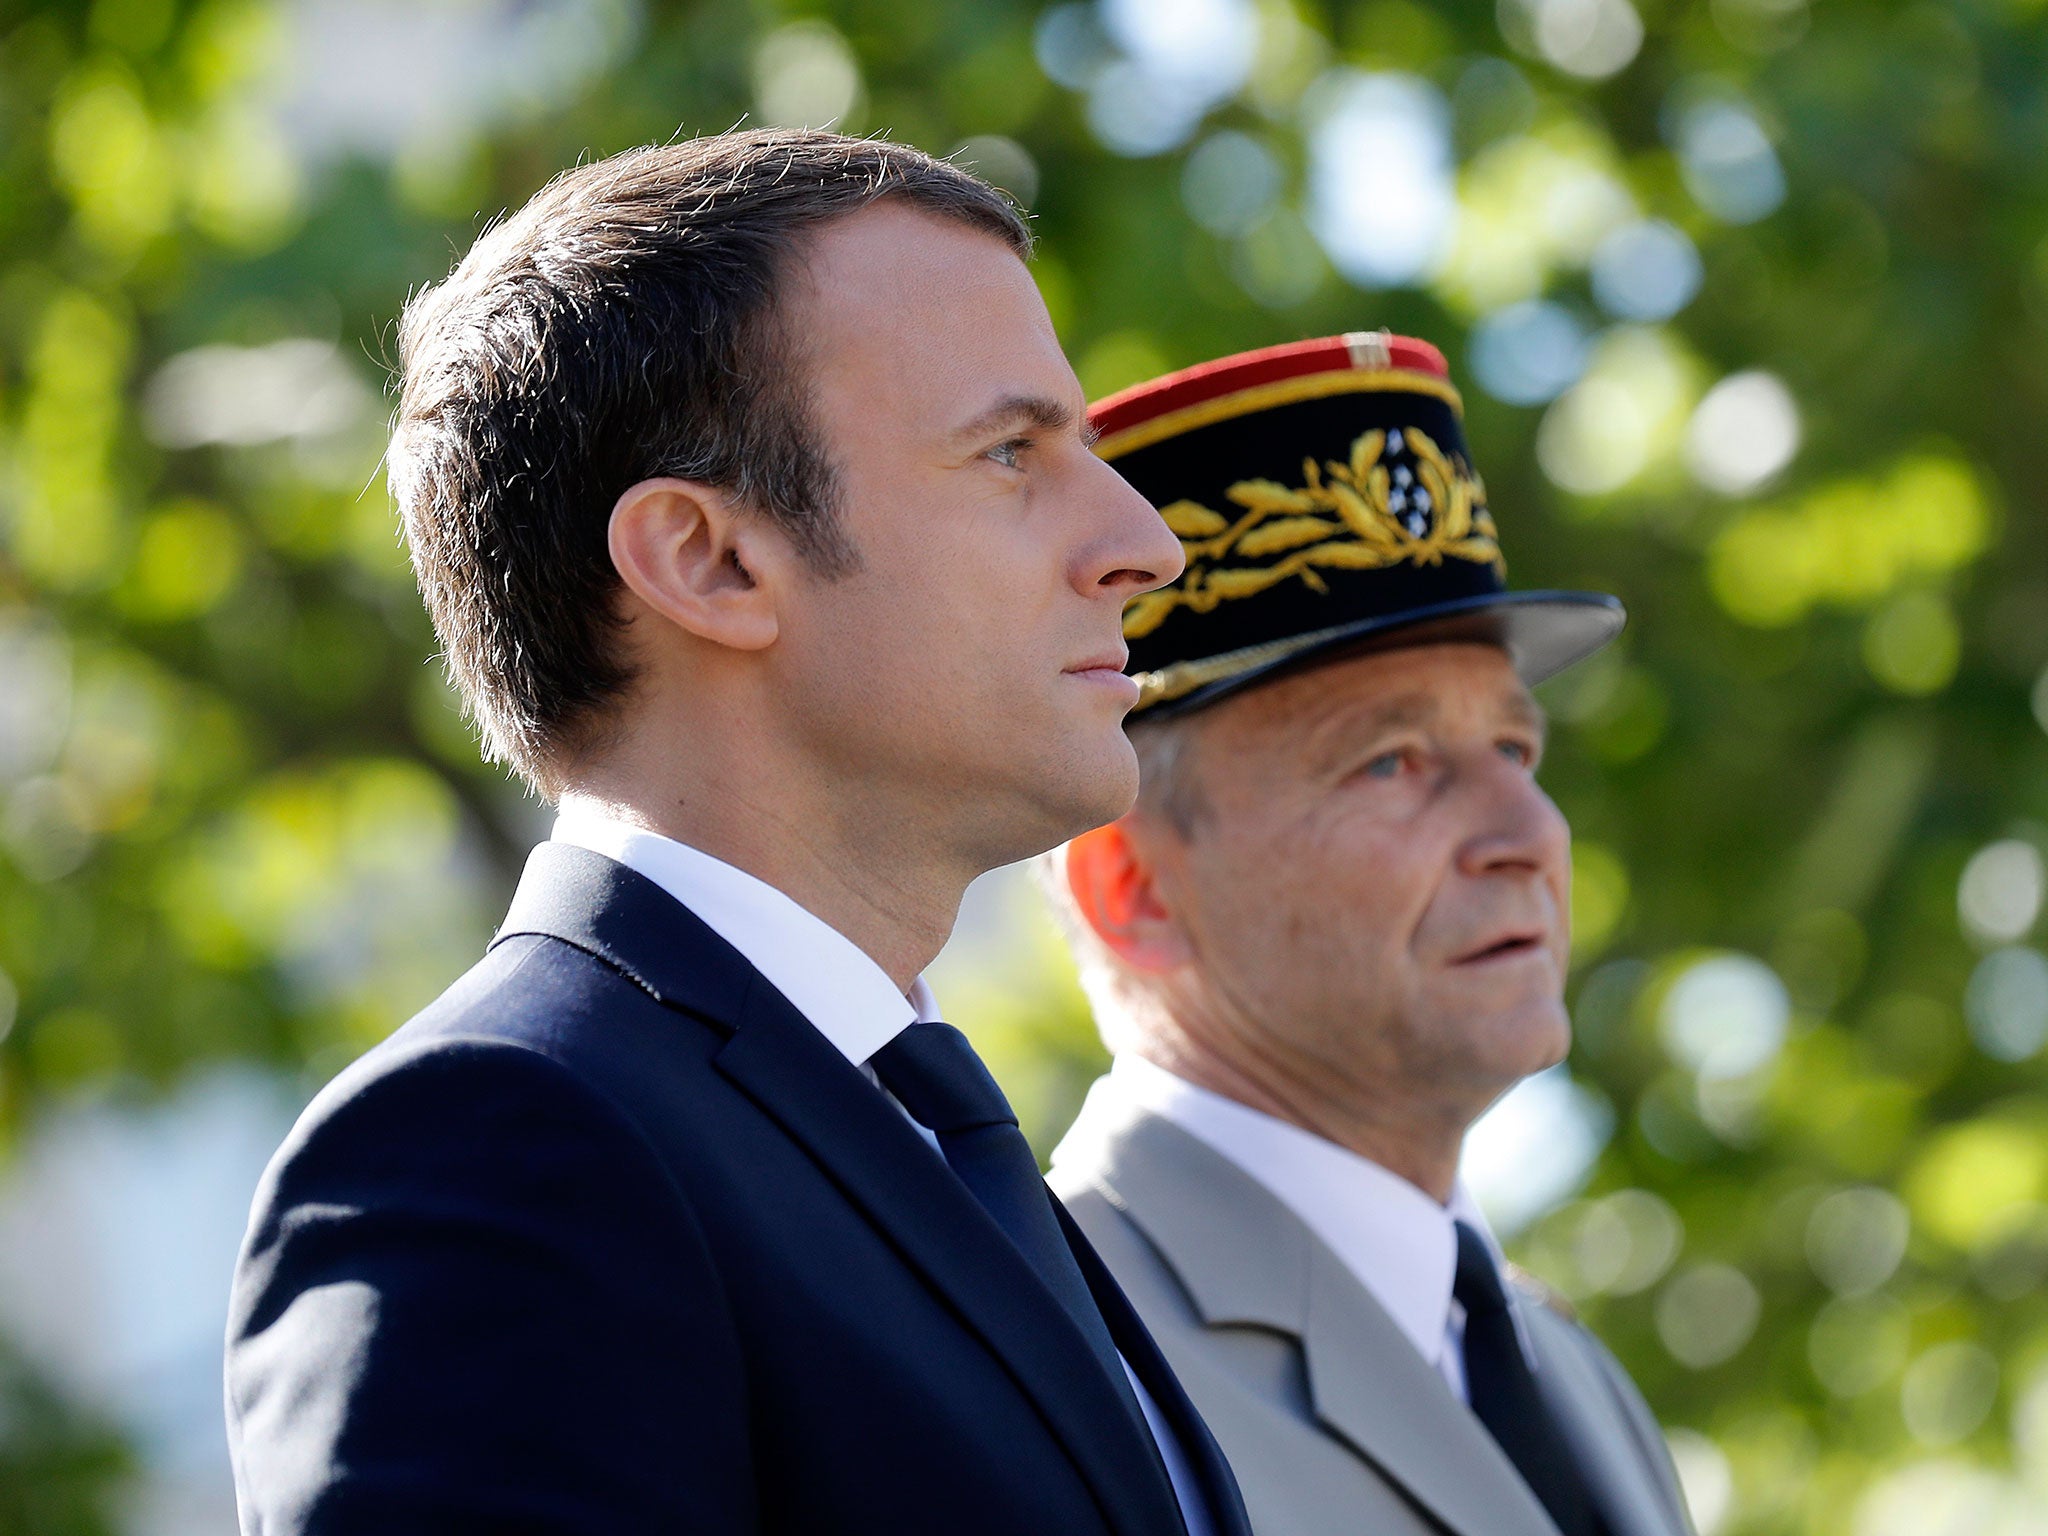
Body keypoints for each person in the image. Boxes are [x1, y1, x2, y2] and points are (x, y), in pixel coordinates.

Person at [224, 129, 1252, 1536]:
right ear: (708, 560)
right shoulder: (498, 1150)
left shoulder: (914, 1142)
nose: (1145, 543)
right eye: (1011, 451)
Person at [1045, 333, 1694, 1536]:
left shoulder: (1563, 1372)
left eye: (1513, 747)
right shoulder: (1059, 1359)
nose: (1523, 830)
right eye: (1390, 761)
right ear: (1129, 884)